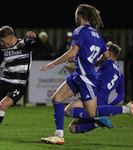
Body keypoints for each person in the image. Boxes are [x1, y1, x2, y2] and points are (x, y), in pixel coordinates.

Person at [40, 4, 110, 145]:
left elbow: (72, 51)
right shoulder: (97, 34)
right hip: (78, 76)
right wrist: (93, 62)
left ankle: (102, 118)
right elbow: (106, 55)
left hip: (86, 79)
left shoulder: (79, 30)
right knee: (57, 98)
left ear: (79, 16)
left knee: (91, 113)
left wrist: (53, 63)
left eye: (75, 17)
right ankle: (59, 135)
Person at [0, 25, 44, 142]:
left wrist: (35, 37)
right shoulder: (3, 48)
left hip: (19, 84)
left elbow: (40, 45)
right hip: (4, 81)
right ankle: (4, 103)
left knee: (3, 105)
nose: (2, 43)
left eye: (2, 41)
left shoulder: (25, 43)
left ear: (10, 38)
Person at [64, 42, 133, 134]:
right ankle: (98, 123)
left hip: (93, 96)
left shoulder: (108, 62)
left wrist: (77, 59)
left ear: (109, 54)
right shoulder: (120, 75)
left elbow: (93, 62)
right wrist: (107, 107)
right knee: (72, 128)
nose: (102, 54)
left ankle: (101, 115)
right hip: (102, 101)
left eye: (104, 52)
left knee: (68, 111)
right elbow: (121, 96)